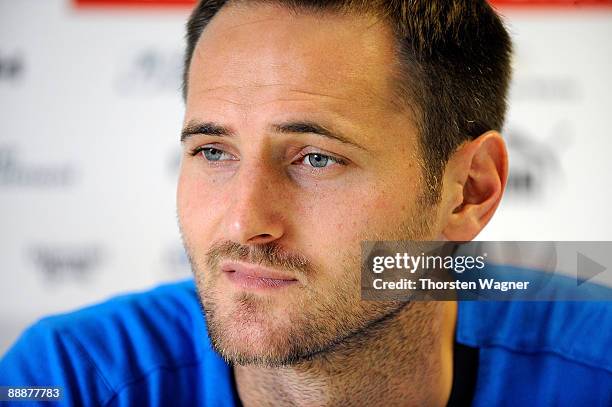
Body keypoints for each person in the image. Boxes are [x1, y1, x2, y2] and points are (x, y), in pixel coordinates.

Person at [1, 0, 610, 405]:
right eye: (213, 151)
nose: (245, 222)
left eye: (316, 158)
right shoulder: (68, 378)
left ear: (471, 190)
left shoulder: (596, 362)